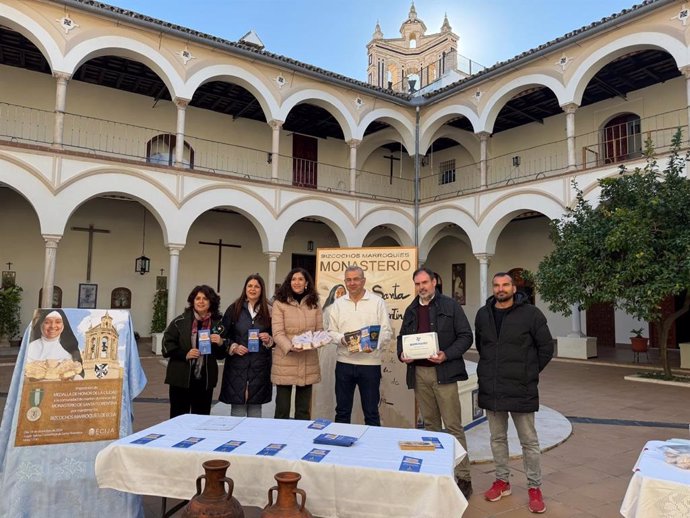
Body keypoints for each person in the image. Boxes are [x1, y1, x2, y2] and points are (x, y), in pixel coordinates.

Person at [475, 273, 554, 514]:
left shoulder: (531, 314)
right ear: (493, 288)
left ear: (513, 288)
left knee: (529, 441)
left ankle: (534, 487)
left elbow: (546, 347)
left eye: (505, 285)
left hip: (521, 387)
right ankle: (502, 481)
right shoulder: (483, 314)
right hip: (493, 388)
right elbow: (482, 346)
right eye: (497, 285)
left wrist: (529, 372)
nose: (501, 289)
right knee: (497, 439)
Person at [397, 267, 474, 499]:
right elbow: (402, 339)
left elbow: (466, 336)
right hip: (420, 373)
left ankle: (464, 476)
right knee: (430, 425)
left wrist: (446, 354)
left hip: (444, 373)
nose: (422, 287)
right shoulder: (410, 309)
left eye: (425, 282)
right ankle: (439, 471)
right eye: (417, 283)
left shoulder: (450, 306)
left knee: (453, 426)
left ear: (434, 282)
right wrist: (402, 354)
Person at [326, 266, 392, 426]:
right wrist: (344, 339)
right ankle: (341, 449)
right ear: (345, 282)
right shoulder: (338, 304)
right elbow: (330, 332)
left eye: (356, 279)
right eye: (348, 279)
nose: (352, 283)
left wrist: (373, 344)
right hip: (344, 364)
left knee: (371, 413)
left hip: (370, 365)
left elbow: (387, 332)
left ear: (363, 281)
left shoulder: (377, 302)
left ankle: (372, 449)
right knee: (342, 412)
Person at [162, 285, 226, 418]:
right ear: (192, 301)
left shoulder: (218, 324)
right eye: (198, 298)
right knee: (178, 419)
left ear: (211, 302)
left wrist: (220, 342)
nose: (201, 301)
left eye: (205, 298)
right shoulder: (179, 322)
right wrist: (185, 354)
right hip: (181, 378)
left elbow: (221, 355)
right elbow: (167, 345)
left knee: (201, 419)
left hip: (205, 379)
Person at [219, 274, 273, 417]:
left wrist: (269, 339)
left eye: (256, 286)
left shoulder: (269, 310)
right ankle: (235, 439)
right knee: (237, 409)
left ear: (262, 290)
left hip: (259, 367)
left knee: (255, 410)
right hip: (237, 366)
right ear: (245, 288)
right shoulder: (234, 308)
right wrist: (233, 347)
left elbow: (276, 336)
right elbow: (222, 336)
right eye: (250, 286)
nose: (253, 289)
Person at [271, 267, 322, 420]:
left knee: (303, 411)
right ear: (289, 282)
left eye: (300, 279)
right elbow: (277, 333)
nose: (297, 282)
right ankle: (280, 440)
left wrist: (312, 343)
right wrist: (291, 347)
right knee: (282, 409)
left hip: (308, 361)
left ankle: (301, 441)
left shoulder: (315, 304)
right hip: (285, 360)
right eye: (294, 279)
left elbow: (319, 331)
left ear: (306, 282)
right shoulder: (280, 303)